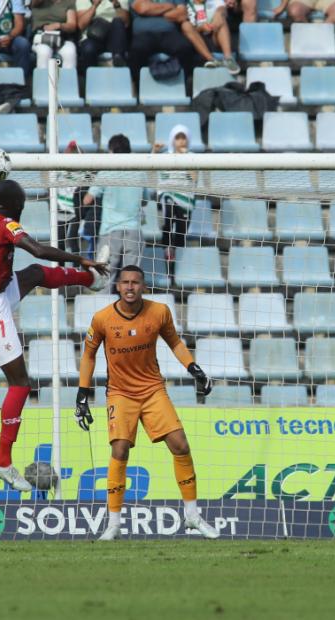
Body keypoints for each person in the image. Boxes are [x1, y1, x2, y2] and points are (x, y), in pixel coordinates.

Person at [0, 180, 108, 490]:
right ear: (19, 207)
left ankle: (91, 279)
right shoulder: (6, 223)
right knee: (20, 383)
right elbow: (39, 249)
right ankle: (2, 461)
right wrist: (79, 256)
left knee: (35, 274)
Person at [74, 264, 218, 540]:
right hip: (120, 393)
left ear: (144, 286)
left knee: (180, 445)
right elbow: (89, 355)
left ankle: (192, 516)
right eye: (125, 282)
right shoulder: (102, 319)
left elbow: (175, 342)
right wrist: (82, 394)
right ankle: (114, 523)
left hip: (152, 390)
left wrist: (194, 369)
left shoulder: (159, 312)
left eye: (136, 282)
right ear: (117, 287)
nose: (130, 287)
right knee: (120, 450)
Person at [84, 133, 144, 288]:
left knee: (105, 279)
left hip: (110, 230)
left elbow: (87, 200)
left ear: (111, 151)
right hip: (133, 230)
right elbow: (145, 199)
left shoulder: (106, 172)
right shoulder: (140, 171)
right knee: (131, 280)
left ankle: (106, 311)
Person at [152, 124, 198, 263]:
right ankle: (167, 249)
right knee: (168, 213)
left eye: (183, 138)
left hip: (186, 199)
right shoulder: (165, 156)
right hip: (168, 195)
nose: (181, 141)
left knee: (181, 231)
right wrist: (154, 150)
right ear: (172, 139)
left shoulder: (192, 157)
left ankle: (177, 260)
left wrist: (185, 158)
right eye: (178, 138)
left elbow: (194, 178)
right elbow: (151, 164)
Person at [128, 0, 201, 79]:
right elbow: (143, 9)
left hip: (170, 34)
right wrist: (170, 6)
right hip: (144, 35)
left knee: (185, 48)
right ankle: (135, 84)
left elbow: (182, 14)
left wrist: (152, 11)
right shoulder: (171, 4)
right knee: (137, 49)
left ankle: (187, 81)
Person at [182, 0, 240, 74]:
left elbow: (222, 9)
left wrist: (219, 14)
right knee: (186, 26)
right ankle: (212, 60)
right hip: (196, 38)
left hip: (213, 35)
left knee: (221, 18)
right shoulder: (185, 3)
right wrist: (201, 28)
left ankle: (228, 58)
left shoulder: (213, 1)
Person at [76, 0, 130, 72]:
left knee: (118, 22)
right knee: (88, 48)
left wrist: (116, 5)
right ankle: (90, 79)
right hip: (93, 37)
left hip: (114, 38)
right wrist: (94, 5)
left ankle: (118, 60)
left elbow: (126, 23)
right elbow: (81, 25)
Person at [29, 0, 80, 70]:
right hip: (41, 36)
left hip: (61, 37)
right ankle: (43, 80)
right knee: (44, 52)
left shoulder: (69, 2)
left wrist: (59, 25)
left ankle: (67, 80)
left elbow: (72, 26)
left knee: (70, 51)